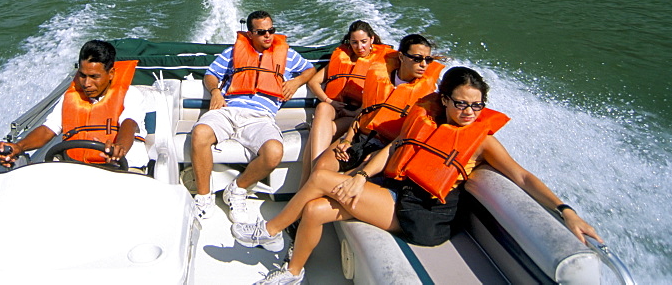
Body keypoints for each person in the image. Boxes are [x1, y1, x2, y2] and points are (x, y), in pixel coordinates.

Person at [231, 66, 601, 285]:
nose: (469, 111)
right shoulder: (425, 119)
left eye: (477, 105)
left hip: (422, 216)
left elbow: (521, 177)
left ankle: (270, 231)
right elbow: (392, 150)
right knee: (314, 212)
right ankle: (293, 273)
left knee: (324, 181)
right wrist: (361, 176)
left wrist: (566, 210)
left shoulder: (483, 142)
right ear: (444, 100)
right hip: (395, 194)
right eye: (461, 103)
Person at [191, 11, 317, 222]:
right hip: (229, 110)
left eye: (271, 31)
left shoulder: (288, 55)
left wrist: (296, 82)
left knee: (274, 152)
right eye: (261, 32)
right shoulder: (232, 53)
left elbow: (310, 69)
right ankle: (203, 196)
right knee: (200, 133)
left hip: (261, 117)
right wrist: (215, 91)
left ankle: (237, 189)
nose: (268, 36)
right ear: (249, 34)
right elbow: (211, 75)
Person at [0, 39, 148, 171]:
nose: (86, 84)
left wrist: (119, 147)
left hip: (121, 169)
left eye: (94, 77)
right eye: (82, 76)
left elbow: (129, 123)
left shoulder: (131, 94)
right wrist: (20, 146)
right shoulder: (71, 97)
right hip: (74, 168)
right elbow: (49, 129)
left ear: (111, 74)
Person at [317, 34, 443, 177]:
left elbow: (410, 137)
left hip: (386, 150)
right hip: (361, 137)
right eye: (417, 58)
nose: (424, 64)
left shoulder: (430, 94)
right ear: (401, 57)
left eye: (428, 59)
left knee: (340, 182)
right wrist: (347, 140)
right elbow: (363, 113)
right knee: (321, 167)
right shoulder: (379, 75)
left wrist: (378, 155)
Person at [302, 20, 394, 183]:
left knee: (318, 130)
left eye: (364, 42)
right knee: (323, 107)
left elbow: (378, 102)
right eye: (355, 43)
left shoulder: (383, 64)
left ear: (372, 39)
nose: (360, 47)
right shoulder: (343, 58)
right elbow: (313, 82)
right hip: (336, 108)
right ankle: (313, 176)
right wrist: (330, 101)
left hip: (356, 115)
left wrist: (353, 112)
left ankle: (307, 179)